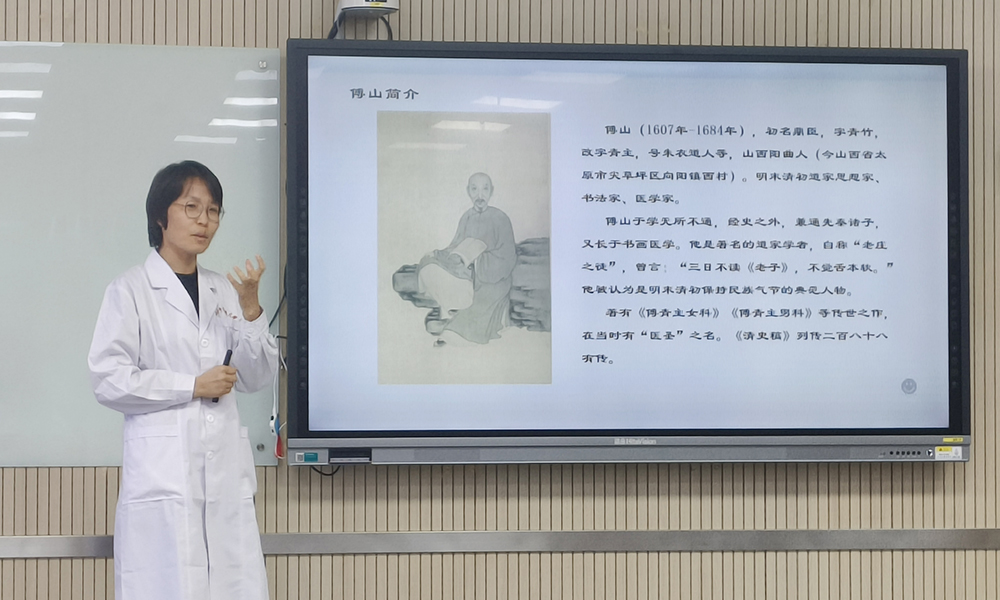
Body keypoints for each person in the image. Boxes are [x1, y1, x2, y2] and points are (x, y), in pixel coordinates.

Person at [88, 160, 278, 600]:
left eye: (213, 211)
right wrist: (191, 386)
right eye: (191, 207)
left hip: (223, 477)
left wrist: (252, 308)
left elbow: (257, 376)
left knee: (233, 584)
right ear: (161, 215)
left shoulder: (224, 290)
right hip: (164, 477)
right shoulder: (130, 290)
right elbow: (108, 379)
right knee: (166, 583)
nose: (204, 221)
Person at [418, 172, 517, 344]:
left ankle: (454, 332)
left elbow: (507, 257)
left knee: (474, 315)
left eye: (485, 189)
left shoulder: (500, 218)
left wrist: (477, 261)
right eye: (474, 189)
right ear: (468, 191)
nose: (480, 195)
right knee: (429, 266)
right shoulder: (466, 217)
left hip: (493, 280)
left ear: (492, 191)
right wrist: (438, 254)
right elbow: (455, 246)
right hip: (468, 273)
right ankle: (450, 311)